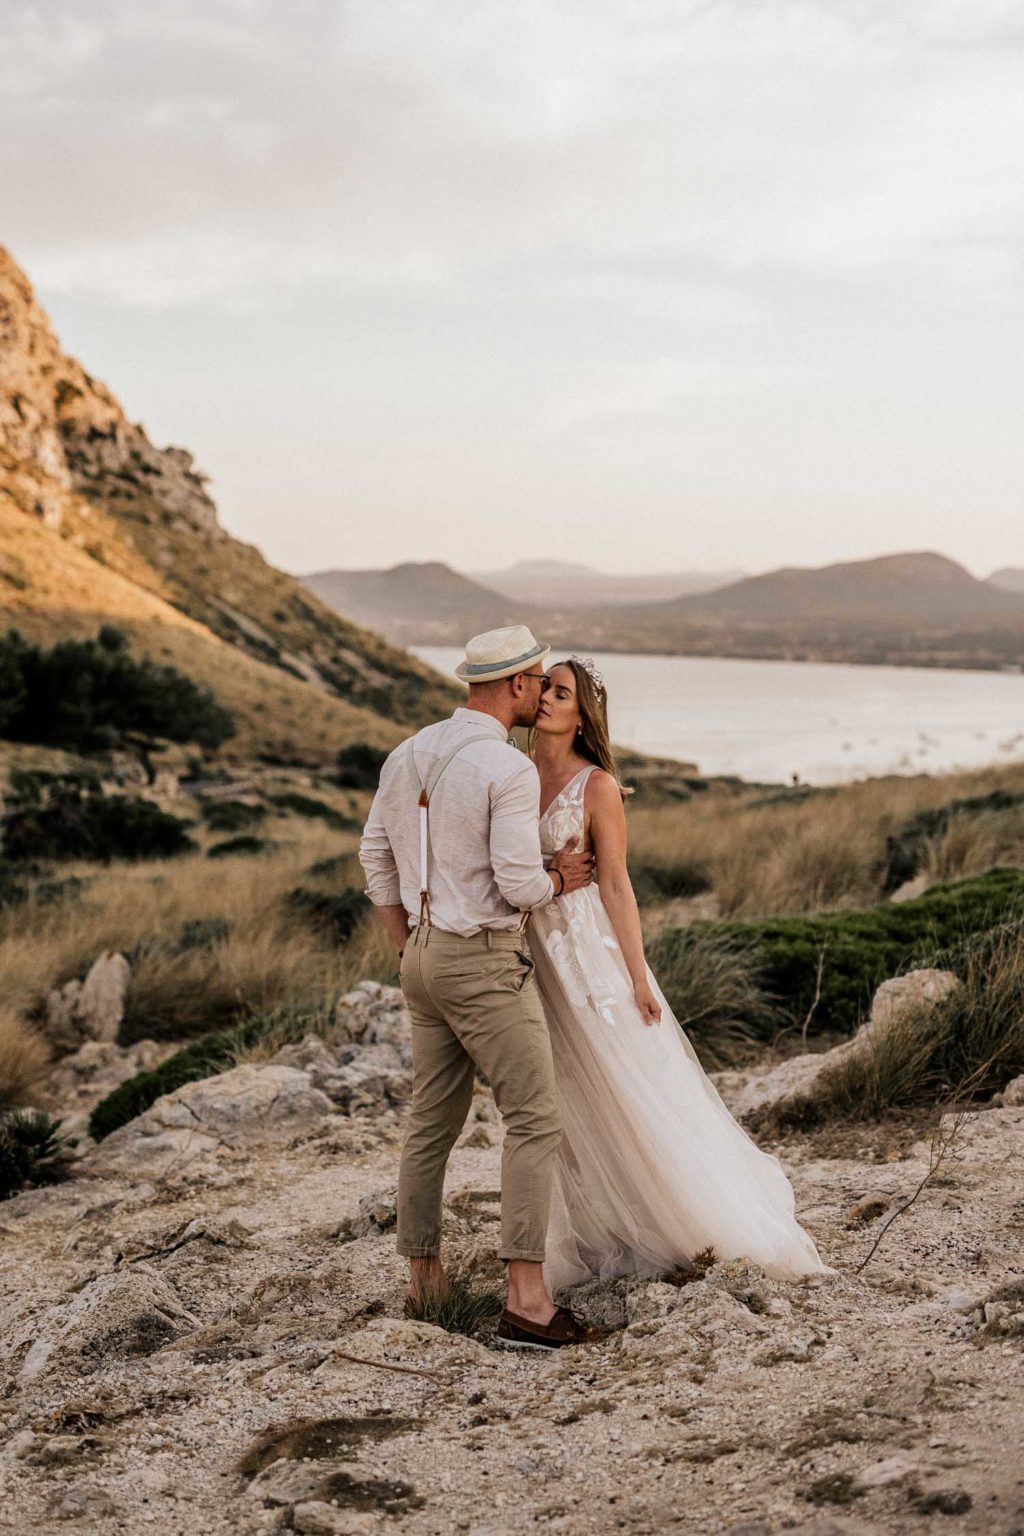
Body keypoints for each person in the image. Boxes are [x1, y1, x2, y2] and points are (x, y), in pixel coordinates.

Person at [528, 656, 829, 1290]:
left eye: (562, 693)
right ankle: (597, 1223)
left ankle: (681, 1220)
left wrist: (637, 975)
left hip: (585, 954)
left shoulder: (597, 786)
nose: (548, 699)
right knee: (563, 1097)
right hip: (531, 955)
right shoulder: (512, 772)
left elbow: (615, 882)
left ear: (583, 715)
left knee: (624, 1075)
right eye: (546, 690)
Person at [358, 625, 606, 1350]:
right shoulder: (507, 768)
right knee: (533, 1117)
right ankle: (528, 1302)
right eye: (536, 679)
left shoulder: (407, 753)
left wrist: (410, 945)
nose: (538, 691)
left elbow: (375, 856)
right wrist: (560, 876)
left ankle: (424, 1283)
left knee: (430, 1123)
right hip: (484, 961)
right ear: (517, 685)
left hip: (423, 956)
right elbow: (517, 883)